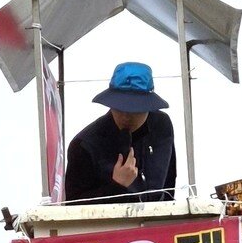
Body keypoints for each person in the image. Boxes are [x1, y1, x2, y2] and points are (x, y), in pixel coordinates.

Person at [63, 61, 177, 204]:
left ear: (149, 106)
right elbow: (72, 207)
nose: (126, 116)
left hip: (157, 222)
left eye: (134, 109)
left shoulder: (162, 126)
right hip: (108, 225)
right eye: (118, 108)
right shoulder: (84, 145)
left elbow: (168, 186)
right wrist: (116, 186)